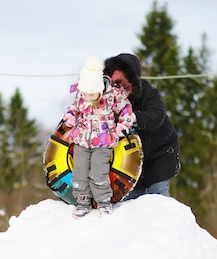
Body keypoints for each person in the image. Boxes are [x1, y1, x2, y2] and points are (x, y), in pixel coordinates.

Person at [62, 55, 136, 218]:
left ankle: (103, 201)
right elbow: (73, 108)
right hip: (82, 139)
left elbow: (127, 112)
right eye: (85, 94)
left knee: (98, 172)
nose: (88, 98)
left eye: (92, 95)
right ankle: (83, 201)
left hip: (103, 141)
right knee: (79, 172)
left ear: (100, 89)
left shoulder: (112, 96)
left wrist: (120, 129)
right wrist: (70, 117)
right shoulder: (83, 95)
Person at [103, 53, 180, 198]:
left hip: (159, 154)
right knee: (131, 201)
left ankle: (162, 219)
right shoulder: (106, 101)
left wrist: (132, 118)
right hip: (130, 159)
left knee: (157, 197)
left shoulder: (148, 94)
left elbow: (157, 116)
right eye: (115, 84)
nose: (119, 91)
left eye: (123, 85)